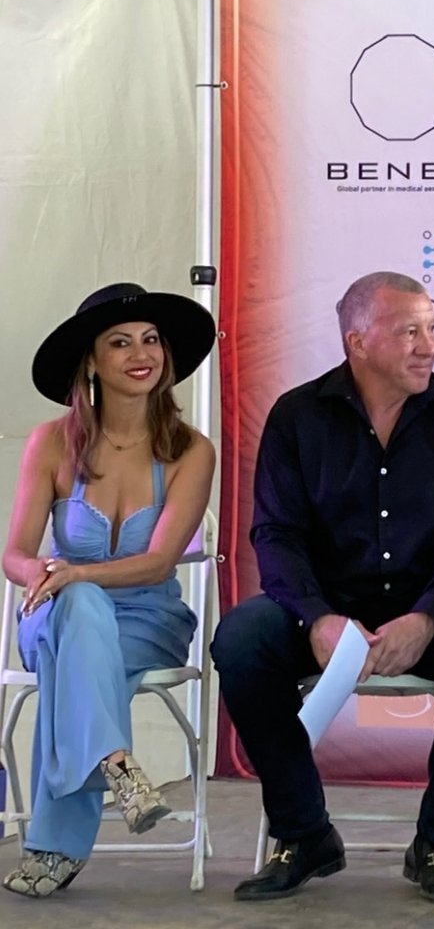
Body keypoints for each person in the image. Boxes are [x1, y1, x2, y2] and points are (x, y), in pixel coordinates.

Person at [211, 271, 434, 905]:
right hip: (326, 613)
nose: (428, 345)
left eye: (431, 328)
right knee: (242, 638)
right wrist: (317, 617)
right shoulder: (298, 416)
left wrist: (427, 617)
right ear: (357, 341)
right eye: (410, 331)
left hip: (431, 613)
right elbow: (275, 534)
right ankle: (304, 834)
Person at [1, 282, 216, 899]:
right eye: (120, 343)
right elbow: (14, 554)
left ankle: (58, 842)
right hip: (55, 613)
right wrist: (40, 573)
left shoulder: (191, 450)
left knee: (75, 652)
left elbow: (158, 563)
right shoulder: (51, 442)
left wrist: (76, 572)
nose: (140, 353)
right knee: (77, 613)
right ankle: (117, 764)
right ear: (91, 362)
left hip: (148, 621)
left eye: (151, 340)